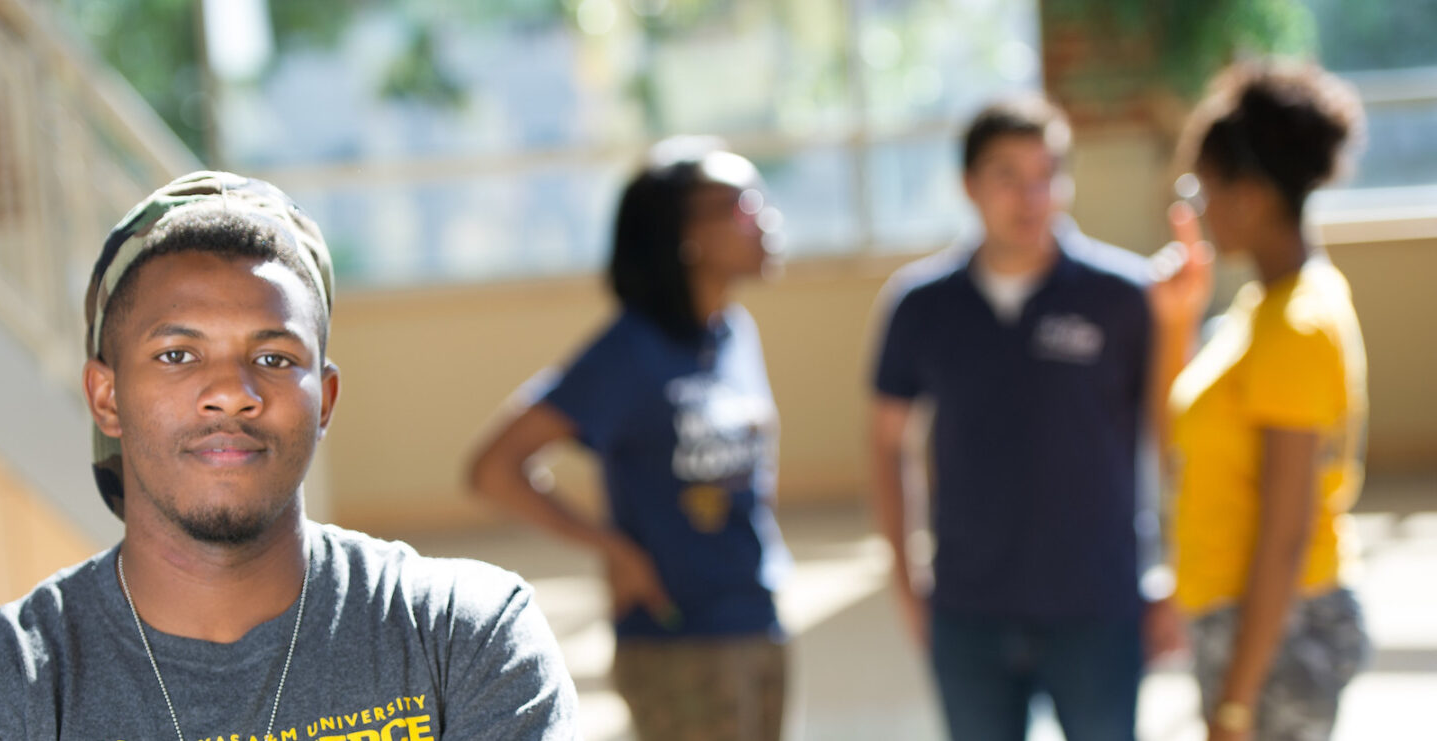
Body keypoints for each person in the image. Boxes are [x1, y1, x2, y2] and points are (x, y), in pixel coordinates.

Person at [0, 172, 577, 741]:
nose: (230, 392)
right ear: (106, 396)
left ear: (327, 399)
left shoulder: (465, 639)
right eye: (177, 355)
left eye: (274, 357)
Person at [867, 96, 1182, 741]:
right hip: (968, 610)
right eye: (1008, 176)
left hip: (1098, 606)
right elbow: (886, 444)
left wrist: (1176, 578)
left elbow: (1179, 439)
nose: (1030, 196)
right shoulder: (919, 305)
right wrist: (905, 581)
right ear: (969, 186)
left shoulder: (1126, 295)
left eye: (1047, 175)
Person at [467, 137, 792, 741]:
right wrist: (613, 550)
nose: (765, 220)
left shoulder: (731, 333)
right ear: (685, 235)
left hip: (758, 618)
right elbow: (494, 468)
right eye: (741, 206)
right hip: (678, 641)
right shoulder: (628, 354)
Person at [1150, 60, 1371, 741]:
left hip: (1278, 627)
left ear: (1249, 195)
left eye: (1204, 187)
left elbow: (1286, 532)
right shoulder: (1261, 305)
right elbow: (1179, 445)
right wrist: (1177, 320)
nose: (1195, 207)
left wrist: (1238, 702)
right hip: (1237, 616)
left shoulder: (1296, 325)